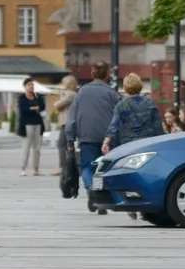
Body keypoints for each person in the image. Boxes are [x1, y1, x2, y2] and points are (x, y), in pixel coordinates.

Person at [103, 73, 165, 220]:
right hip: (148, 142)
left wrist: (107, 141)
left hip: (129, 143)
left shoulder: (122, 104)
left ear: (125, 87)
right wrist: (162, 140)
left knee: (129, 173)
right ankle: (146, 205)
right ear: (140, 86)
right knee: (147, 174)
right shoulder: (150, 102)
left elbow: (115, 124)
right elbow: (157, 125)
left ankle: (131, 205)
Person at [64, 62, 120, 215]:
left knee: (87, 167)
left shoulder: (81, 92)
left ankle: (91, 189)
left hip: (87, 136)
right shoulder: (112, 93)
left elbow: (72, 118)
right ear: (107, 74)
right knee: (104, 169)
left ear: (92, 73)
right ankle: (101, 199)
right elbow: (120, 116)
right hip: (108, 138)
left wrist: (69, 140)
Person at [17, 77, 46, 176]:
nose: (31, 86)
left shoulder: (37, 96)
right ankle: (23, 168)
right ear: (25, 86)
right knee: (26, 147)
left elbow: (42, 106)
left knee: (37, 148)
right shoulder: (22, 98)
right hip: (27, 125)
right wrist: (34, 108)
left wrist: (34, 108)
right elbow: (24, 110)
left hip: (38, 123)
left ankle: (36, 169)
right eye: (29, 84)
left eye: (32, 84)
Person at [53, 75, 78, 176]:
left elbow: (57, 105)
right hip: (69, 122)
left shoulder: (70, 95)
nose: (62, 85)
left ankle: (63, 167)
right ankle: (71, 167)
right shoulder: (73, 95)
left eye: (63, 83)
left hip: (67, 123)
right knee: (68, 145)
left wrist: (61, 97)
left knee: (61, 144)